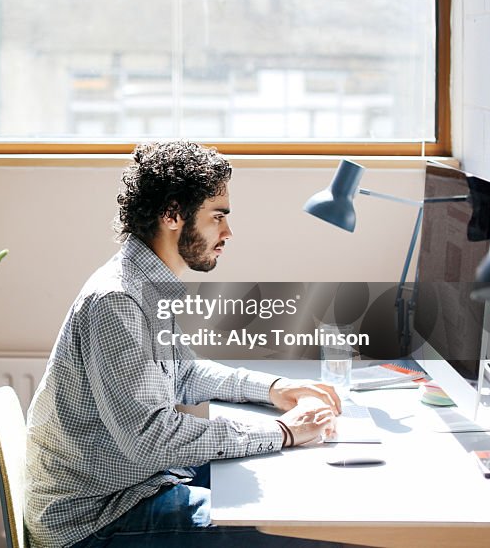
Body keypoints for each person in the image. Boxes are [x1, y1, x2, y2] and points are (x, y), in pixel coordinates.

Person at [25, 140, 343, 548]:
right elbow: (150, 439)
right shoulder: (117, 301)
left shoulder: (147, 282)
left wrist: (274, 389)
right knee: (288, 531)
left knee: (300, 483)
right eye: (217, 217)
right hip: (98, 517)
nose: (227, 232)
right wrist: (281, 431)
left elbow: (186, 372)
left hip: (141, 483)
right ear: (173, 215)